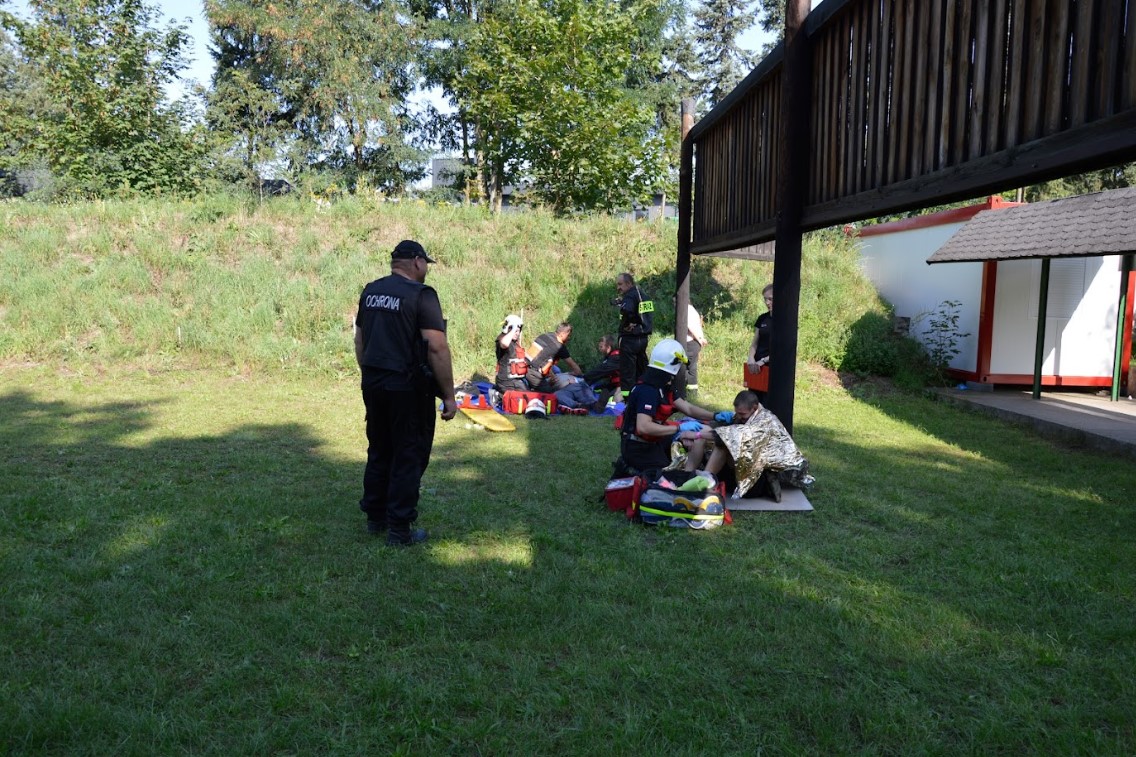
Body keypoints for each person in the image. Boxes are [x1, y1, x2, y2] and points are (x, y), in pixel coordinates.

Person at [354, 239, 456, 547]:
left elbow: (360, 340)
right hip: (408, 388)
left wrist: (369, 374)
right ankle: (399, 529)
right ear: (417, 262)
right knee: (408, 454)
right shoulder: (422, 295)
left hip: (373, 382)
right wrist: (449, 396)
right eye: (426, 264)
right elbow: (437, 347)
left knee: (380, 448)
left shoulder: (370, 291)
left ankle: (375, 517)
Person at [619, 338, 717, 475]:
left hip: (655, 441)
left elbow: (688, 408)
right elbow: (643, 427)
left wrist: (715, 415)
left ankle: (688, 474)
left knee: (699, 434)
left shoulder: (664, 386)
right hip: (638, 447)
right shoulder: (648, 390)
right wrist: (678, 428)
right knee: (667, 478)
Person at [614, 272, 653, 397]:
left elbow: (628, 309)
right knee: (642, 368)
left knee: (627, 372)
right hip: (643, 338)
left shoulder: (629, 296)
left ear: (629, 283)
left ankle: (627, 400)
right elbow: (646, 314)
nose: (618, 288)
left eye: (620, 284)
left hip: (630, 339)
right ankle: (646, 394)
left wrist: (629, 323)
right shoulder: (643, 295)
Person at [526, 322, 583, 392]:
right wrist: (580, 374)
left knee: (556, 370)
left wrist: (552, 375)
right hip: (534, 374)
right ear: (562, 334)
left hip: (525, 365)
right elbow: (571, 364)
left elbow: (543, 358)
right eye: (568, 336)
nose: (569, 338)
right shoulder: (559, 347)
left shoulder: (545, 335)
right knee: (549, 395)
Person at [746, 283, 774, 402]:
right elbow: (754, 344)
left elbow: (782, 350)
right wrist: (751, 358)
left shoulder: (785, 320)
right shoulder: (762, 318)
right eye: (765, 299)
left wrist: (763, 361)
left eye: (770, 299)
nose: (767, 303)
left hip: (771, 367)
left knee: (768, 403)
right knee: (753, 402)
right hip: (756, 367)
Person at [582, 334, 620, 412]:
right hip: (615, 384)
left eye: (601, 347)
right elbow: (601, 373)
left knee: (616, 399)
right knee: (602, 390)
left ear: (608, 347)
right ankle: (596, 407)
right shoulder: (610, 357)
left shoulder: (616, 358)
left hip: (624, 385)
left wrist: (585, 377)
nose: (599, 349)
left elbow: (601, 371)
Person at [494, 313, 529, 392]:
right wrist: (513, 329)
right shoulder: (502, 339)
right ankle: (499, 396)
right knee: (526, 398)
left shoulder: (514, 342)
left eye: (518, 331)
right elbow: (504, 344)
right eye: (515, 331)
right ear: (508, 328)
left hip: (515, 380)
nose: (517, 333)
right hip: (506, 381)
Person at [682, 300, 708, 393]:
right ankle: (689, 390)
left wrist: (700, 339)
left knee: (688, 367)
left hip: (691, 343)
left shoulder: (687, 310)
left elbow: (691, 327)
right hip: (693, 343)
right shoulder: (691, 309)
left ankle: (692, 392)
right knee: (688, 367)